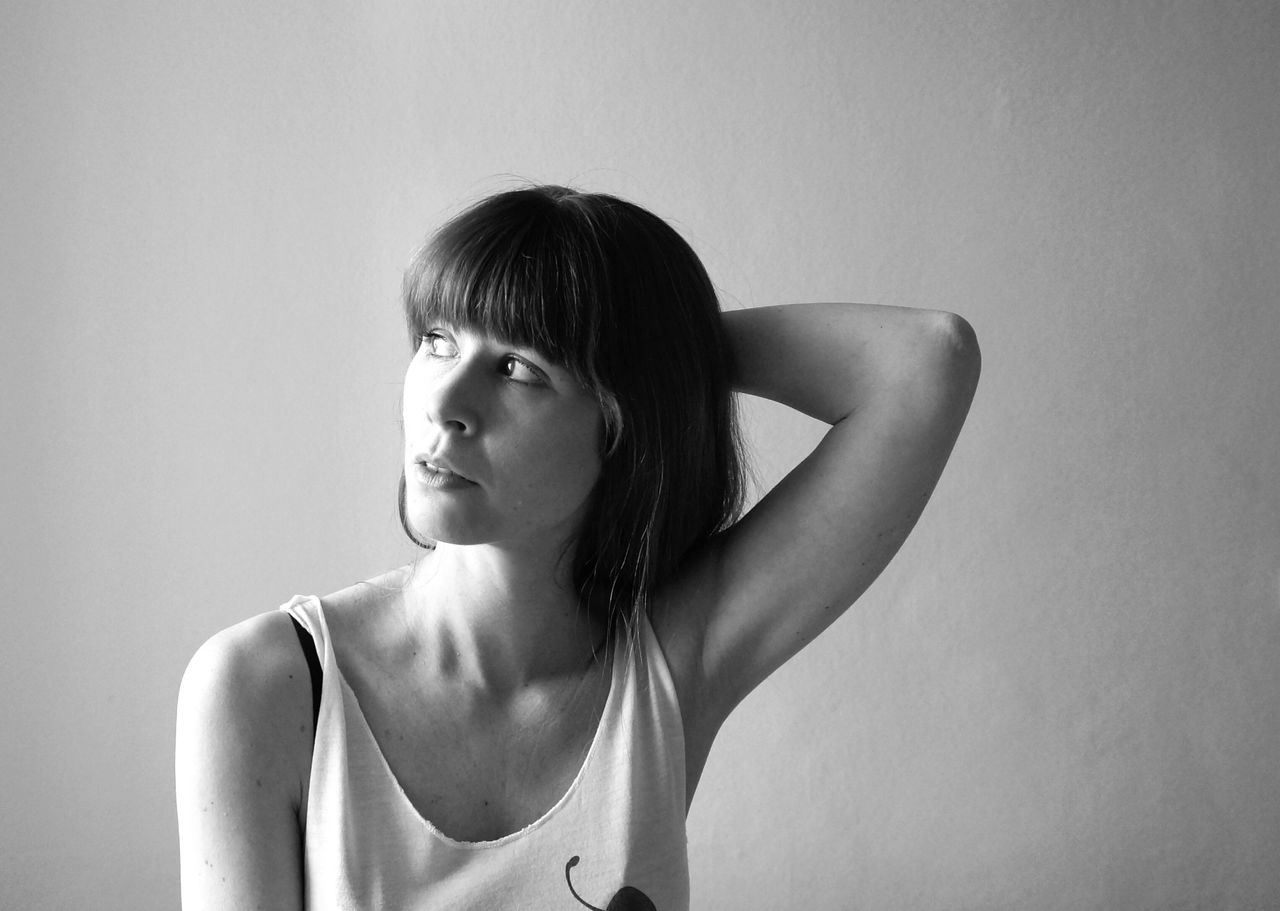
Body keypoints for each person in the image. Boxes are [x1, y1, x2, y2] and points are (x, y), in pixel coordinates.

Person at [175, 185, 980, 910]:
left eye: (520, 367)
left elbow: (928, 360)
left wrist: (661, 352)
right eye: (437, 338)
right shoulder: (267, 687)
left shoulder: (669, 665)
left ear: (620, 426)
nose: (445, 403)